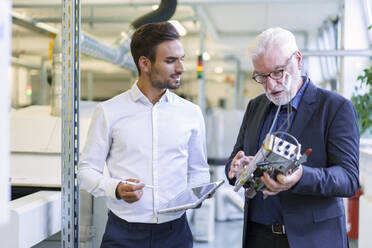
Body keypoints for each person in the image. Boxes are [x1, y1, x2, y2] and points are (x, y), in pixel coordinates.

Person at [78, 22, 210, 248]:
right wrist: (116, 188)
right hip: (123, 234)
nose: (181, 68)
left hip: (175, 233)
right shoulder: (109, 111)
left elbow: (199, 170)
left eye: (181, 58)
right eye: (171, 60)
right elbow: (85, 170)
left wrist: (196, 194)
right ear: (145, 63)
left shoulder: (191, 113)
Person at [225, 27, 359, 248]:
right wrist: (236, 168)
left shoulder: (335, 108)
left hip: (313, 238)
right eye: (261, 76)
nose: (270, 84)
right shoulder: (255, 107)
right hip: (259, 236)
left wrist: (301, 177)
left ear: (297, 61)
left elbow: (348, 179)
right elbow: (235, 158)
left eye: (277, 72)